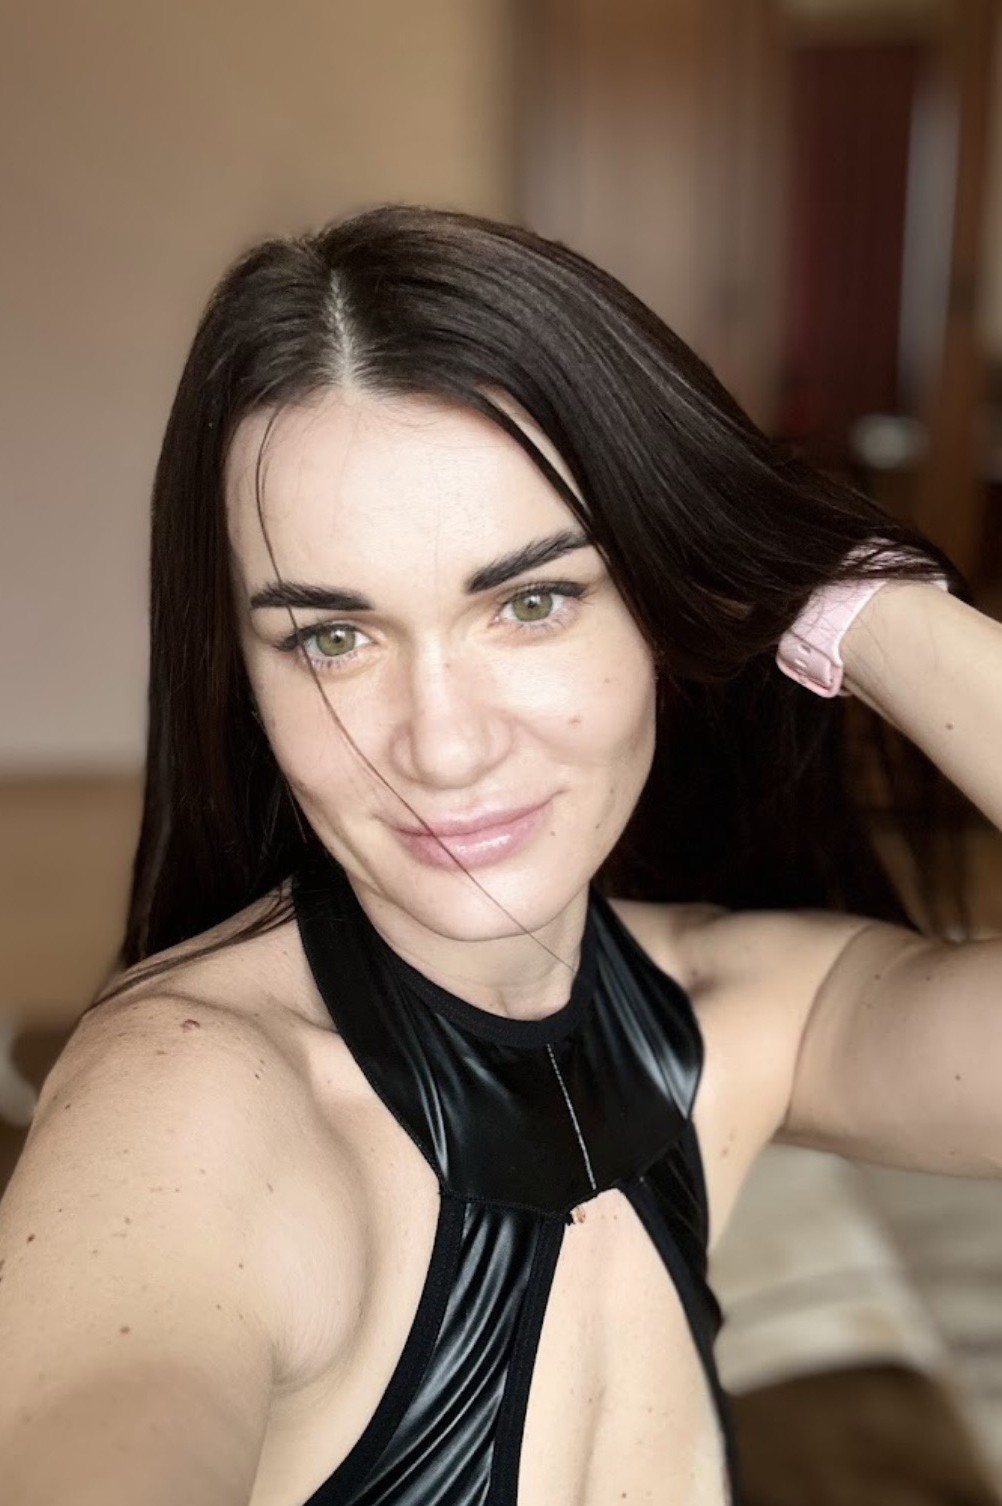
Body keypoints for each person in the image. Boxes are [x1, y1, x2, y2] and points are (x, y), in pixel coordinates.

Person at [0, 204, 999, 1506]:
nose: (444, 744)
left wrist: (851, 599)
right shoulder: (185, 1110)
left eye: (532, 601)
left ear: (666, 601)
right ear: (243, 675)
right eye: (332, 637)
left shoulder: (734, 1016)